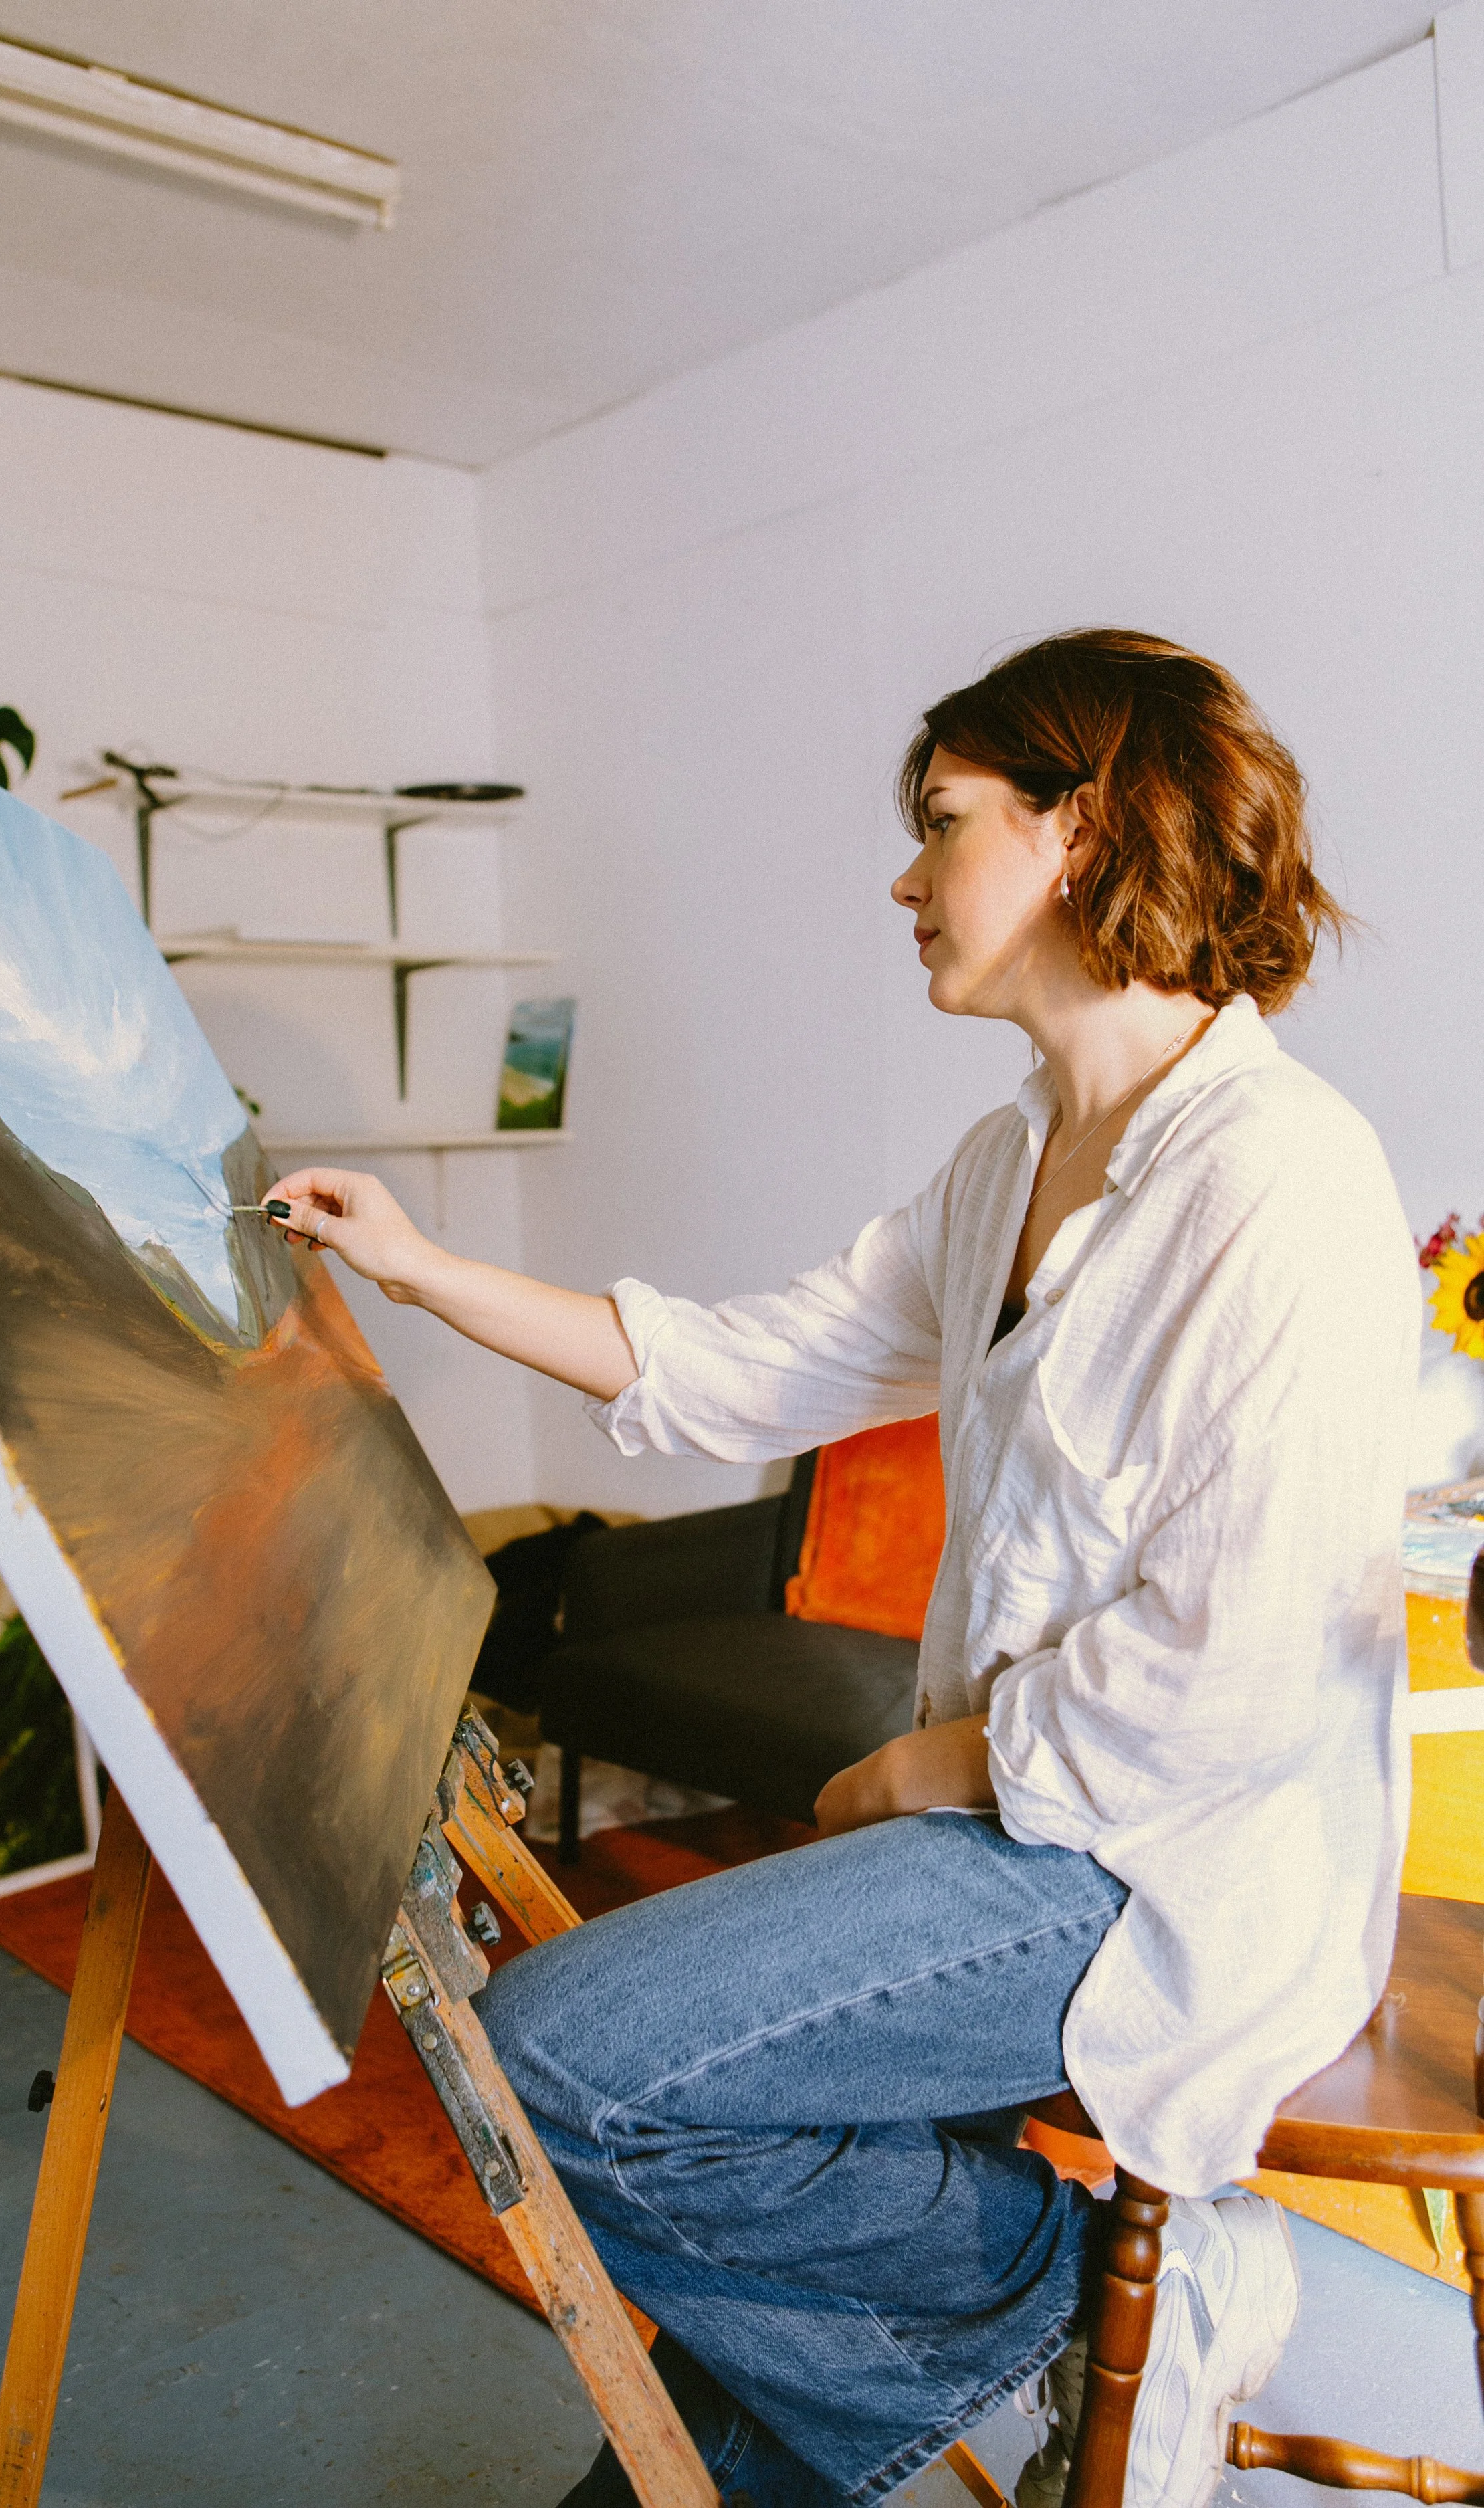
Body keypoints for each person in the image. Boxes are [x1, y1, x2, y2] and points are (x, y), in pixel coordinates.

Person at [266, 629, 1419, 2508]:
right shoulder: (1011, 1157)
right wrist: (426, 1267)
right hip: (1032, 1826)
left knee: (566, 2056)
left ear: (1080, 827)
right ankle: (993, 2336)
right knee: (724, 2287)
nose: (904, 875)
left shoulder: (1277, 1182)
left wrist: (927, 1765)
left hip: (1174, 1864)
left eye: (939, 823)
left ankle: (1092, 2283)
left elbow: (1238, 1670)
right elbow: (743, 1364)